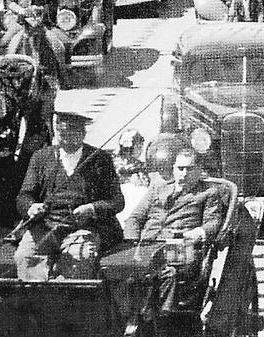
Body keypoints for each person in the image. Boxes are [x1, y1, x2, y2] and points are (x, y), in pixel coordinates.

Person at [13, 108, 124, 279]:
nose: (67, 137)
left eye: (73, 132)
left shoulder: (100, 159)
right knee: (24, 256)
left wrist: (92, 208)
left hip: (84, 228)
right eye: (62, 132)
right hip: (46, 227)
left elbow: (117, 201)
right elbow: (24, 196)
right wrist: (31, 207)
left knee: (80, 257)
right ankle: (36, 300)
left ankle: (70, 302)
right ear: (57, 131)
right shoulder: (41, 157)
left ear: (83, 133)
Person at [123, 148, 226, 313]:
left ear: (199, 170)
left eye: (189, 168)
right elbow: (134, 218)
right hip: (147, 245)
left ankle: (162, 320)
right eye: (180, 168)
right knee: (117, 270)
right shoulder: (157, 188)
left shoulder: (208, 193)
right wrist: (131, 243)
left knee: (166, 273)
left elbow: (213, 222)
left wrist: (198, 233)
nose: (184, 173)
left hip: (180, 247)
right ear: (173, 169)